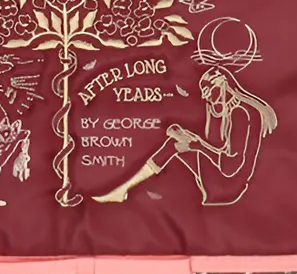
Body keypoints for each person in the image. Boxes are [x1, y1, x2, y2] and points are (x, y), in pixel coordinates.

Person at [92, 65, 277, 206]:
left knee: (173, 144)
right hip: (223, 175)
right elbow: (215, 145)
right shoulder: (226, 109)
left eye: (208, 92)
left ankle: (123, 190)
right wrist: (187, 135)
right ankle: (123, 190)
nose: (204, 98)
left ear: (222, 84)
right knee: (175, 141)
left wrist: (198, 145)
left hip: (229, 184)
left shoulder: (241, 113)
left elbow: (230, 167)